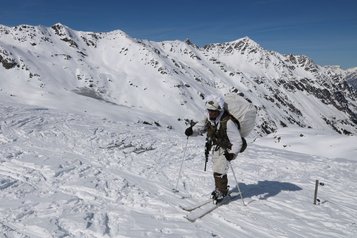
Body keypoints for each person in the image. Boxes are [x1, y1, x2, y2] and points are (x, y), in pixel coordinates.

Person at [185, 95, 243, 203]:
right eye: (209, 110)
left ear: (219, 110)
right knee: (217, 168)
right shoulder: (208, 117)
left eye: (213, 111)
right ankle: (221, 189)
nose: (210, 113)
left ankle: (221, 191)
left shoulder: (228, 122)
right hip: (216, 146)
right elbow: (201, 127)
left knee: (219, 168)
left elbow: (237, 141)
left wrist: (233, 154)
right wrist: (192, 131)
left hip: (227, 148)